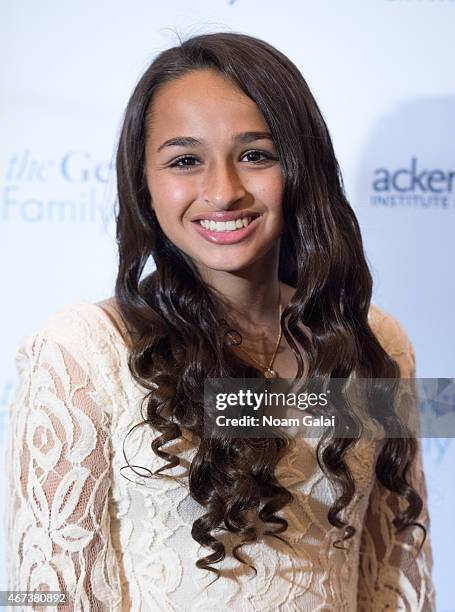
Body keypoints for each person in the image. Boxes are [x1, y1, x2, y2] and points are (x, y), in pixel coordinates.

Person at [4, 32, 435, 611]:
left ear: (299, 166)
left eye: (256, 155)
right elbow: (48, 598)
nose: (224, 192)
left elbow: (397, 575)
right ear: (143, 185)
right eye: (185, 161)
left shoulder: (376, 343)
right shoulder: (82, 352)